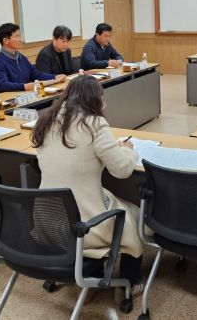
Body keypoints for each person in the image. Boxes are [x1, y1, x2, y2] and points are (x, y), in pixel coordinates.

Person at [31, 75, 144, 294]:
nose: (104, 103)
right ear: (94, 99)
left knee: (110, 200)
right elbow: (122, 170)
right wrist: (128, 150)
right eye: (102, 98)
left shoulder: (46, 121)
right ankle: (129, 281)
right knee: (132, 214)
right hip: (83, 225)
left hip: (47, 220)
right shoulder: (94, 124)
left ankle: (94, 273)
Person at [0, 23, 64, 93]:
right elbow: (2, 85)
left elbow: (36, 74)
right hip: (11, 98)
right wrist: (24, 87)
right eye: (16, 36)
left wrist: (55, 77)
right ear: (6, 41)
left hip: (26, 95)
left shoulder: (21, 57)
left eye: (20, 36)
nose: (20, 39)